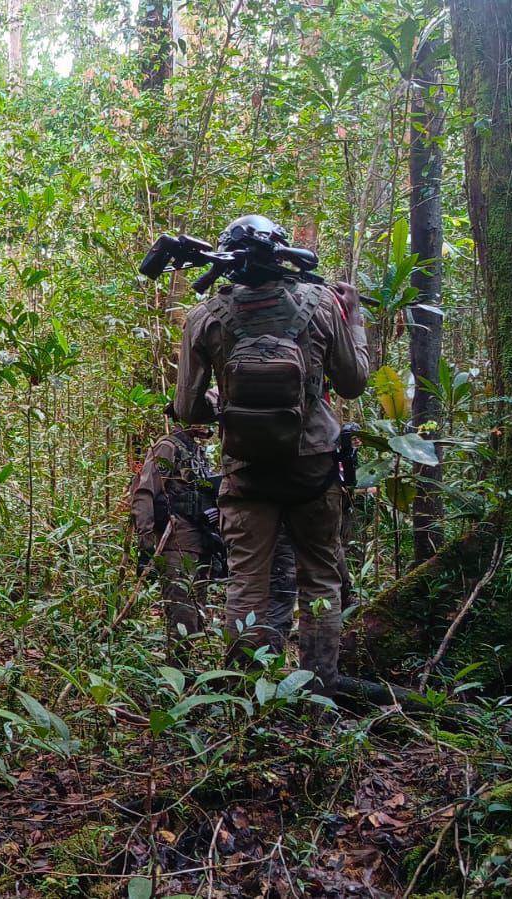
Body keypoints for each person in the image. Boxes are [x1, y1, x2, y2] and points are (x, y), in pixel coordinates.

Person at [174, 214, 370, 693]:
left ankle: (245, 691)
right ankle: (318, 687)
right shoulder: (323, 305)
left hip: (247, 473)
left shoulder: (205, 318)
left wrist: (225, 405)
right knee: (321, 578)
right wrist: (356, 318)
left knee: (247, 582)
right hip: (314, 468)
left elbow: (186, 409)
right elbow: (353, 382)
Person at [129, 409, 218, 664]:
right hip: (176, 542)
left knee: (198, 614)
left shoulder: (197, 452)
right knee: (182, 613)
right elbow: (144, 492)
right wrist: (146, 539)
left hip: (201, 542)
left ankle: (187, 671)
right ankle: (176, 677)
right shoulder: (167, 447)